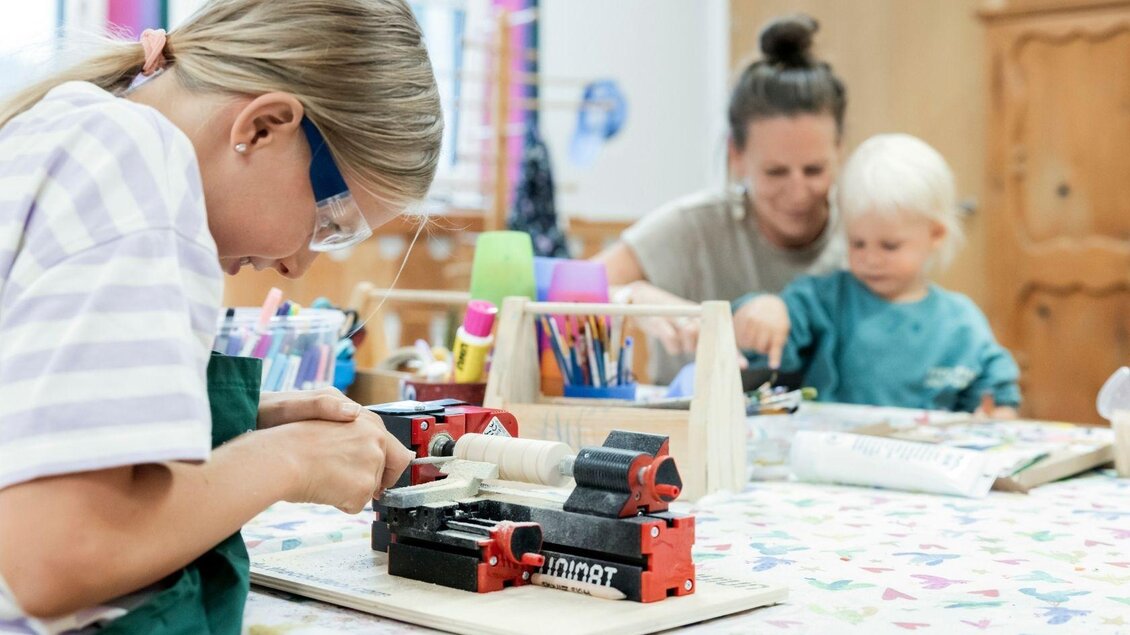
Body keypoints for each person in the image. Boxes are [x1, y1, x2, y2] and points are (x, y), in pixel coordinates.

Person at [0, 1, 438, 631]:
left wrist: (242, 418)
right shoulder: (139, 169)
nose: (298, 266)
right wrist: (291, 459)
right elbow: (56, 555)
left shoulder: (69, 127)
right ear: (263, 127)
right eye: (329, 224)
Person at [594, 14, 847, 384]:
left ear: (839, 150)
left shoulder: (863, 236)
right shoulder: (692, 228)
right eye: (775, 172)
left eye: (814, 170)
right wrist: (631, 298)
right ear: (736, 155)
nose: (797, 192)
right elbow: (560, 291)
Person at [734, 134, 1021, 415]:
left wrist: (996, 413)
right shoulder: (822, 301)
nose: (870, 259)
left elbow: (997, 393)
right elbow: (762, 341)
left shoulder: (960, 322)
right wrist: (763, 308)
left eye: (889, 246)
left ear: (935, 234)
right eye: (857, 243)